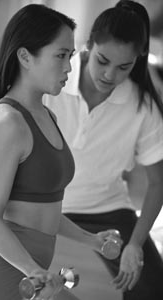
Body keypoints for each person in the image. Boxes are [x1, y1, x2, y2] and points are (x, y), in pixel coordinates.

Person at [0, 4, 122, 300]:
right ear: (25, 56)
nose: (69, 68)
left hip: (32, 273)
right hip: (1, 272)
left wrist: (92, 240)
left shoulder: (46, 116)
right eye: (60, 55)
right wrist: (31, 269)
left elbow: (42, 211)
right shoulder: (8, 122)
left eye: (70, 56)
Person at [43, 1, 163, 299]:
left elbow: (158, 181)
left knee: (152, 288)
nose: (110, 75)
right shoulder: (51, 81)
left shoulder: (142, 108)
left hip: (104, 208)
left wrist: (135, 243)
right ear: (87, 46)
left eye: (124, 66)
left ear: (138, 60)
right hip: (37, 202)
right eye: (102, 60)